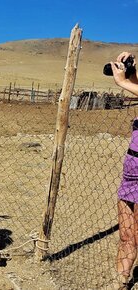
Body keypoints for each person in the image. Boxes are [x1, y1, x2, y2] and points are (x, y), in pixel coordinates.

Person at [111, 51, 138, 289]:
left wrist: (123, 82)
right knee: (126, 233)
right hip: (132, 168)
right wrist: (130, 66)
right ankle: (121, 281)